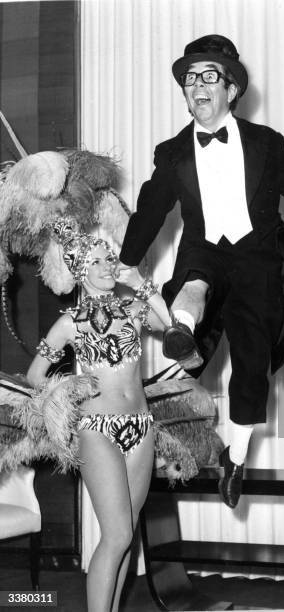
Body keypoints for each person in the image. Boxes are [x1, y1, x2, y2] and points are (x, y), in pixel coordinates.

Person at [119, 34, 284, 508]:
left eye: (209, 76)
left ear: (231, 90)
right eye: (190, 79)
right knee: (195, 279)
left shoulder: (265, 144)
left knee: (252, 366)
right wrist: (127, 260)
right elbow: (150, 210)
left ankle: (236, 456)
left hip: (257, 258)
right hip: (205, 250)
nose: (198, 85)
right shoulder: (172, 153)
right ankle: (183, 329)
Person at [27, 219, 172, 612]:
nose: (109, 266)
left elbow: (175, 333)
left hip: (141, 429)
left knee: (127, 536)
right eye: (99, 262)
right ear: (80, 271)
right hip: (96, 430)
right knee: (117, 533)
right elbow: (34, 377)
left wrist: (140, 280)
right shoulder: (69, 324)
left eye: (111, 259)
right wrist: (65, 398)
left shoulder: (135, 310)